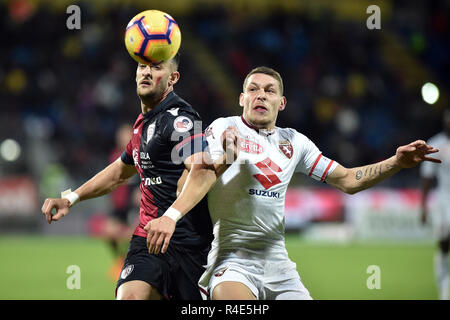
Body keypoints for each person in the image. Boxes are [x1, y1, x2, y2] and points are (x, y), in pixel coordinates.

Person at [146, 66, 442, 300]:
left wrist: (396, 162)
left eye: (269, 90)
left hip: (278, 263)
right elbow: (192, 177)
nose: (260, 95)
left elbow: (348, 180)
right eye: (253, 89)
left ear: (282, 102)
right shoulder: (224, 127)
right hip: (230, 259)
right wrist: (225, 157)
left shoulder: (295, 142)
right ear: (241, 99)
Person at [41, 52, 236, 300]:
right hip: (147, 239)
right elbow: (119, 172)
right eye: (142, 67)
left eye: (156, 68)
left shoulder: (182, 119)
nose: (146, 72)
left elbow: (201, 170)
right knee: (131, 297)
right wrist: (72, 198)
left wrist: (170, 218)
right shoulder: (142, 123)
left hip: (189, 244)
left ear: (173, 78)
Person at [420, 109, 450, 300]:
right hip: (444, 200)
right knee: (443, 244)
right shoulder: (437, 143)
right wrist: (423, 206)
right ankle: (443, 287)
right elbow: (427, 177)